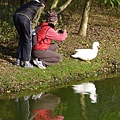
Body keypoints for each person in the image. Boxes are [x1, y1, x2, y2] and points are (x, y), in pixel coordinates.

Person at [13, 0, 47, 68]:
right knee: (28, 39)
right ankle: (26, 62)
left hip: (16, 16)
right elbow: (35, 19)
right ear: (43, 4)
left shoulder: (30, 3)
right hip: (25, 18)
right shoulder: (40, 5)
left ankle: (18, 60)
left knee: (22, 37)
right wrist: (32, 29)